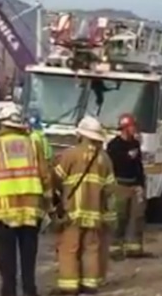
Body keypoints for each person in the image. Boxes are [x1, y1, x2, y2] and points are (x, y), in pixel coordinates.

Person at [0, 103, 50, 296]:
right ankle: (29, 291)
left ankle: (9, 292)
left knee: (7, 260)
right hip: (32, 209)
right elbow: (45, 176)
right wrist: (48, 202)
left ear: (2, 123)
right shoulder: (34, 143)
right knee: (29, 258)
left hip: (4, 210)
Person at [52, 116, 117, 295]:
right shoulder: (105, 159)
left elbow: (55, 179)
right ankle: (89, 285)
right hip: (95, 214)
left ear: (81, 135)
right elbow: (110, 189)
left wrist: (60, 198)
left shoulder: (70, 155)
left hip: (72, 213)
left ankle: (69, 287)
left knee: (69, 250)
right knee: (91, 249)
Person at [106, 114, 150, 259]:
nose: (135, 129)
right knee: (120, 218)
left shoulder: (135, 144)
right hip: (120, 185)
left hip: (134, 186)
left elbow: (138, 166)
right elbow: (112, 167)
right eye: (132, 126)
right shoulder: (113, 146)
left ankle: (134, 248)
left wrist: (141, 185)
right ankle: (115, 248)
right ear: (125, 128)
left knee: (137, 217)